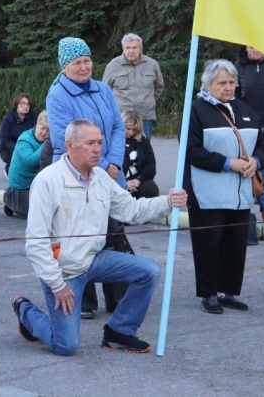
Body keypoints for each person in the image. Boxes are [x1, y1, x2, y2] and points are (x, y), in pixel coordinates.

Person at [12, 120, 187, 356]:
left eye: (100, 143)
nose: (97, 149)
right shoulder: (47, 181)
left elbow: (132, 211)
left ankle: (119, 331)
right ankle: (26, 311)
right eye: (90, 143)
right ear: (69, 145)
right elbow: (35, 243)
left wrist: (167, 201)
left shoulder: (101, 178)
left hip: (94, 260)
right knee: (67, 345)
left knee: (149, 270)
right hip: (64, 271)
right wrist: (57, 285)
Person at [47, 37, 128, 319]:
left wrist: (114, 162)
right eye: (76, 62)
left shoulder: (103, 89)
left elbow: (118, 126)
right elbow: (64, 137)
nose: (84, 67)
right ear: (64, 66)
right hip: (77, 171)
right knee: (79, 235)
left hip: (109, 171)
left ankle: (118, 299)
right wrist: (103, 165)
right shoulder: (57, 96)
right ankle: (84, 301)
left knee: (114, 231)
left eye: (87, 60)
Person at [184, 59, 264, 314]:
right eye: (222, 83)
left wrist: (256, 160)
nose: (228, 87)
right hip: (206, 191)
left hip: (240, 193)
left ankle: (229, 291)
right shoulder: (195, 111)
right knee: (208, 243)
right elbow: (191, 151)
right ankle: (208, 293)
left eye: (232, 82)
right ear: (208, 85)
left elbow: (263, 145)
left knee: (235, 243)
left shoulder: (245, 110)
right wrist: (227, 163)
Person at [235, 45, 264, 223]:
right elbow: (235, 98)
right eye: (251, 46)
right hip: (251, 128)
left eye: (259, 45)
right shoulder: (239, 66)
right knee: (259, 169)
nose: (256, 49)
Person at [102, 34, 164, 140]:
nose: (131, 51)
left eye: (134, 47)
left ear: (141, 48)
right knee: (121, 150)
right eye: (128, 48)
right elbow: (104, 90)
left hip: (145, 115)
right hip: (121, 117)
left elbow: (159, 87)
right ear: (123, 48)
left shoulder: (152, 64)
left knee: (143, 149)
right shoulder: (113, 65)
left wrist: (149, 101)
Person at [4, 111, 49, 219]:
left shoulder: (46, 140)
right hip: (21, 185)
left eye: (48, 130)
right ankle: (9, 201)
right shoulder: (25, 139)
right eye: (42, 128)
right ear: (36, 124)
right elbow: (31, 161)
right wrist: (47, 144)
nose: (44, 132)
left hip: (37, 182)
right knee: (32, 215)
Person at [122, 110, 159, 199]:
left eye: (134, 129)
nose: (131, 133)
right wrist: (124, 183)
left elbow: (150, 165)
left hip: (137, 180)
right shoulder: (113, 141)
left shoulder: (142, 140)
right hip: (118, 182)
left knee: (150, 189)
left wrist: (139, 180)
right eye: (128, 128)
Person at [0, 93, 39, 177]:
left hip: (30, 146)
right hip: (11, 149)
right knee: (16, 156)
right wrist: (19, 148)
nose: (25, 106)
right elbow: (4, 141)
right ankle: (9, 170)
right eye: (22, 103)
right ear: (16, 105)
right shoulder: (8, 119)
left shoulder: (34, 117)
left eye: (28, 104)